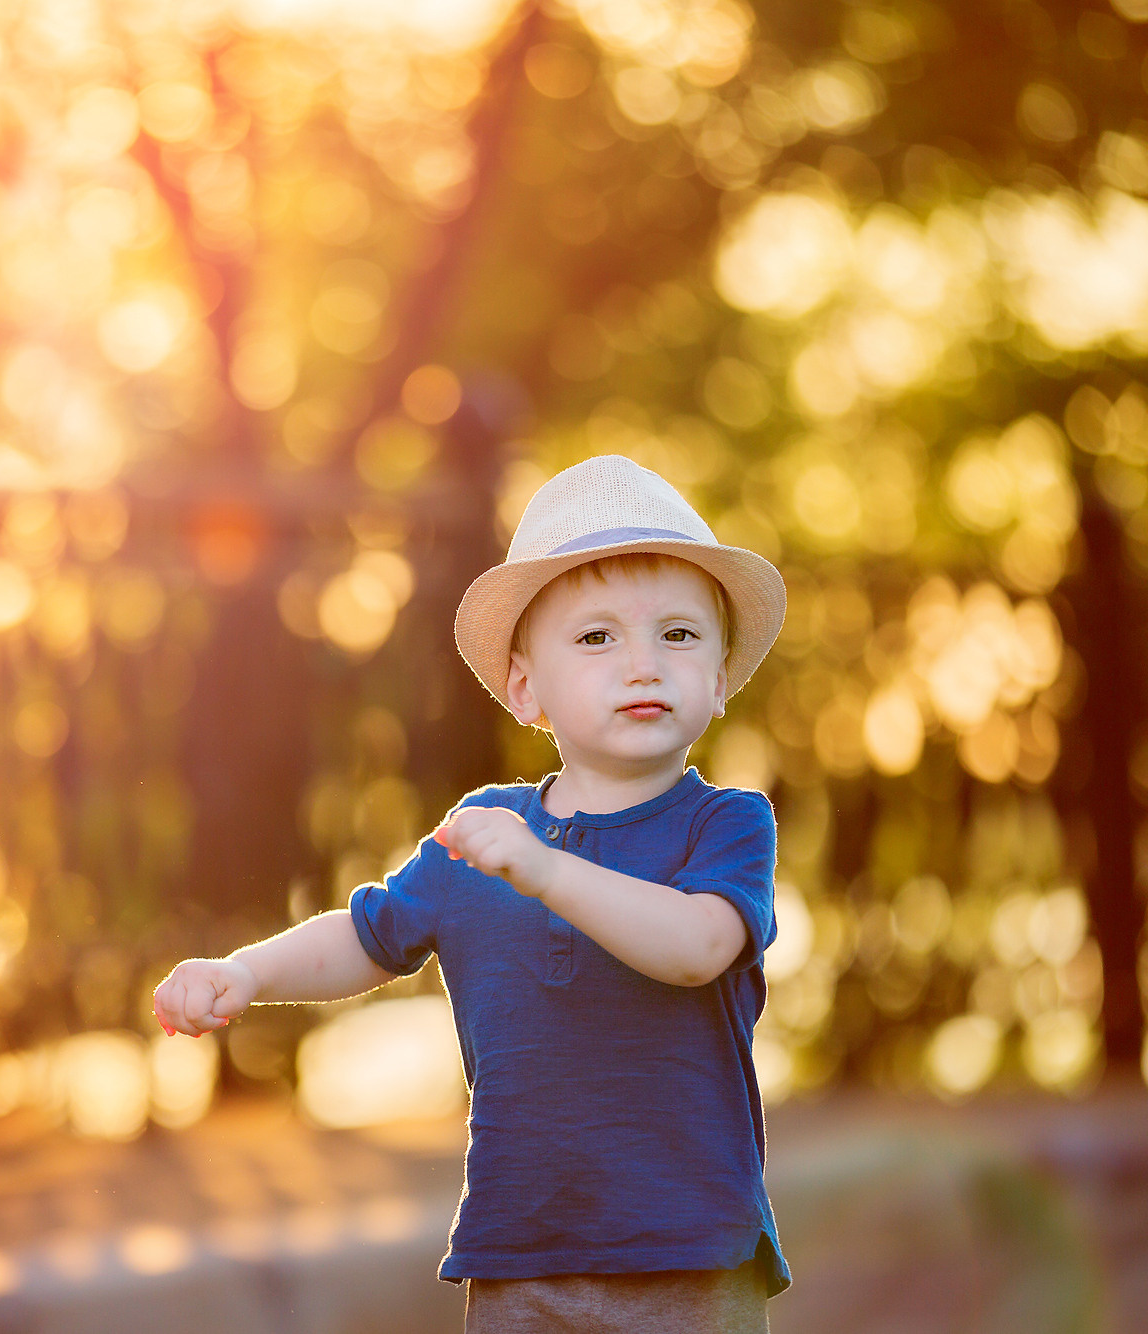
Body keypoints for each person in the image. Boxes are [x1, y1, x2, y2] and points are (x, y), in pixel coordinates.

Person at [153, 454, 792, 1332]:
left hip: (687, 1255)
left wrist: (546, 870)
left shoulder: (725, 824)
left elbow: (696, 948)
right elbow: (369, 935)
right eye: (597, 638)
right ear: (526, 688)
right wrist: (247, 972)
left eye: (678, 635)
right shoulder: (485, 833)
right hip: (516, 1253)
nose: (643, 664)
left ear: (719, 679)